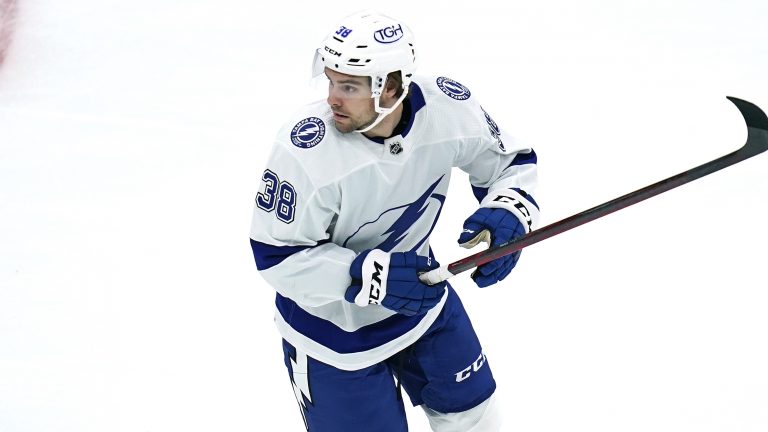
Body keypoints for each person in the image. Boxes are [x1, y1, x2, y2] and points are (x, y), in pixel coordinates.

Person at [250, 10, 539, 432]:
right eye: (330, 80)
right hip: (332, 334)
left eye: (349, 86)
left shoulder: (446, 108)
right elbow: (276, 256)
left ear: (391, 86)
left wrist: (510, 209)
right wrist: (365, 276)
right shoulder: (305, 151)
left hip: (422, 303)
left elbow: (509, 163)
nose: (333, 97)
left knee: (477, 420)